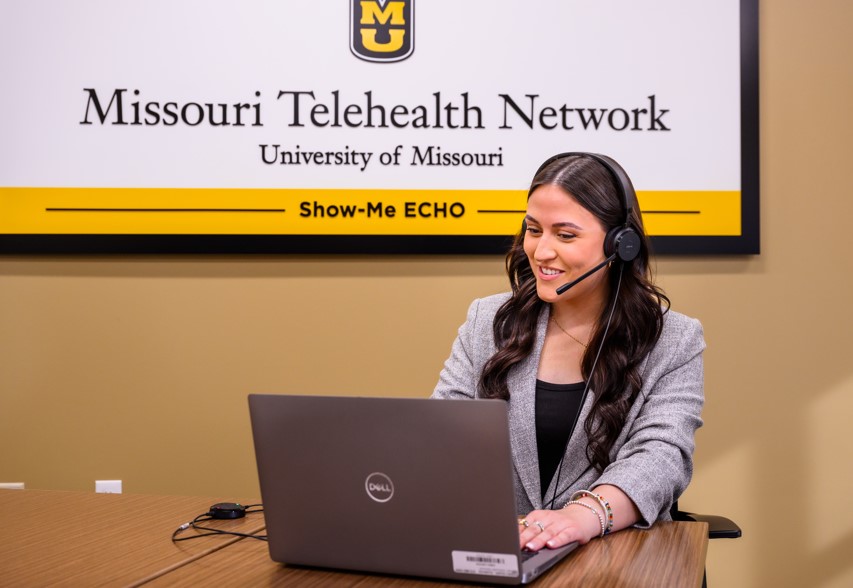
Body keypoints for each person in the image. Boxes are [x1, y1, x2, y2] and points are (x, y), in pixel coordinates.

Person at [431, 153, 704, 552]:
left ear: (620, 244)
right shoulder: (487, 320)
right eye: (533, 229)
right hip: (499, 553)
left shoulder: (674, 338)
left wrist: (583, 516)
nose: (540, 252)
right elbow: (442, 434)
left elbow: (661, 455)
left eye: (565, 235)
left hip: (615, 559)